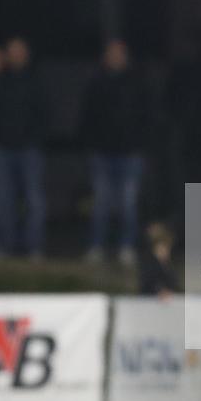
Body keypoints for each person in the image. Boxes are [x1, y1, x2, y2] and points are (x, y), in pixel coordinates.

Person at [80, 39, 149, 266]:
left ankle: (126, 247)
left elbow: (147, 115)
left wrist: (140, 142)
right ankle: (97, 246)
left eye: (120, 54)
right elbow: (87, 116)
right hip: (102, 152)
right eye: (111, 53)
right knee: (101, 202)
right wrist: (91, 143)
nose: (115, 58)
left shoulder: (137, 83)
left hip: (131, 152)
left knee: (128, 203)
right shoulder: (96, 83)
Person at [0, 37, 46, 258]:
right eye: (12, 51)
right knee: (4, 200)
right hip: (1, 148)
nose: (16, 55)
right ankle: (5, 246)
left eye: (19, 51)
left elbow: (44, 113)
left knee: (34, 200)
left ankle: (34, 247)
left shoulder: (35, 81)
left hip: (29, 148)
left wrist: (35, 137)